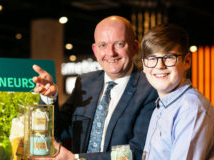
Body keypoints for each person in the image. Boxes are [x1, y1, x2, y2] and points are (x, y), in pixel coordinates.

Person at [32, 15, 158, 160]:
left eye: (119, 44)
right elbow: (59, 132)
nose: (111, 53)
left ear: (134, 47)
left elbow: (136, 152)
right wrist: (48, 99)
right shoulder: (85, 82)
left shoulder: (150, 88)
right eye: (103, 45)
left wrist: (76, 158)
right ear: (95, 50)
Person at [140, 24, 214, 160]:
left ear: (187, 61)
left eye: (169, 57)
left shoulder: (191, 109)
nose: (160, 66)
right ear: (144, 65)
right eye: (152, 59)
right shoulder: (162, 106)